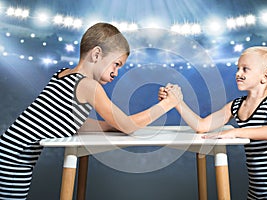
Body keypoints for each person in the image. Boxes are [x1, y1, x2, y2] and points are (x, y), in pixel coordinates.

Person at [0, 22, 182, 200]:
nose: (116, 73)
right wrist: (168, 104)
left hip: (9, 156)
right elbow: (128, 125)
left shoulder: (62, 75)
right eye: (116, 64)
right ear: (96, 54)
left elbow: (75, 125)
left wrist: (112, 125)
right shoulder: (88, 86)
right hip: (11, 165)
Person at [159, 46, 267, 199]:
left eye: (245, 69)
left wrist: (234, 132)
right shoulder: (236, 105)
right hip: (254, 191)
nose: (238, 73)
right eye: (238, 68)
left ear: (265, 76)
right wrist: (176, 101)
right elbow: (201, 126)